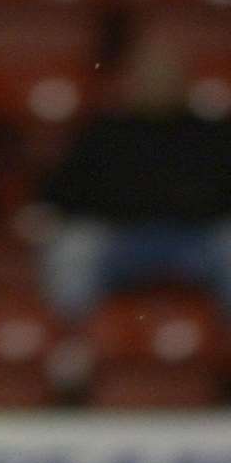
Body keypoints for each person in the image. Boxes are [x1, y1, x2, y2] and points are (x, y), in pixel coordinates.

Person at [38, 45, 231, 320]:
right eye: (150, 78)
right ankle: (71, 344)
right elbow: (62, 191)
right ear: (132, 83)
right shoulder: (105, 133)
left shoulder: (212, 134)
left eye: (166, 78)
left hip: (195, 238)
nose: (158, 85)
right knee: (73, 247)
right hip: (121, 238)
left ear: (185, 83)